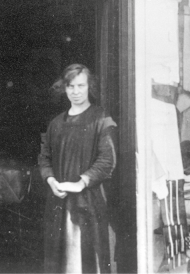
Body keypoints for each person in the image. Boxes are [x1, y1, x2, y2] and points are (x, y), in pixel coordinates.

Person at [38, 64, 117, 274]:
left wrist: (81, 182)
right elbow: (44, 158)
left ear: (89, 86)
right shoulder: (55, 124)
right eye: (71, 86)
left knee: (88, 261)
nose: (76, 91)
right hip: (59, 203)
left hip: (89, 203)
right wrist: (50, 180)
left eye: (81, 85)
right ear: (64, 88)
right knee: (61, 261)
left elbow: (107, 160)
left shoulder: (102, 118)